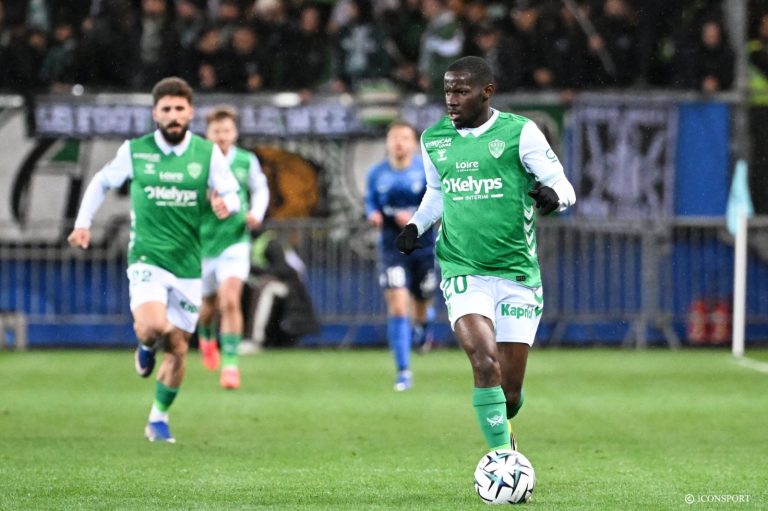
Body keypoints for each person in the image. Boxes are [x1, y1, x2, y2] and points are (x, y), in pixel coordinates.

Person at [395, 56, 576, 451]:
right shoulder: (434, 139)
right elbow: (437, 193)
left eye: (461, 91)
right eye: (448, 91)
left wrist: (553, 196)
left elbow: (564, 186)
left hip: (516, 272)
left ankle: (503, 423)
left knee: (508, 393)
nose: (452, 99)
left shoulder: (520, 133)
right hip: (462, 268)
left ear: (487, 92)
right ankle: (502, 457)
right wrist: (416, 226)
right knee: (483, 361)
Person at [67, 77, 241, 443]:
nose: (173, 115)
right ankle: (145, 346)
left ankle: (158, 418)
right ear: (155, 114)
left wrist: (227, 203)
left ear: (190, 113)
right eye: (166, 109)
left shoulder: (207, 154)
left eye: (180, 109)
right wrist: (82, 223)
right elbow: (101, 182)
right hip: (147, 258)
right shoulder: (136, 151)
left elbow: (232, 193)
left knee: (178, 348)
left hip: (188, 265)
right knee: (152, 326)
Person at [197, 105, 270, 389]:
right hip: (204, 243)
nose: (222, 136)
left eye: (227, 130)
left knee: (229, 300)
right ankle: (206, 335)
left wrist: (256, 213)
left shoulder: (245, 160)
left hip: (235, 240)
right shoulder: (198, 161)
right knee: (207, 307)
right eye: (217, 131)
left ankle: (230, 365)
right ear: (208, 134)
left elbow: (260, 188)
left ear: (235, 133)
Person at [365, 121, 436, 392]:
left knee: (422, 301)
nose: (399, 143)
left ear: (414, 143)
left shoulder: (426, 171)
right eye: (394, 137)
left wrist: (417, 217)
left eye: (405, 138)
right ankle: (404, 371)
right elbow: (370, 202)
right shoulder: (376, 173)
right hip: (392, 248)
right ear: (387, 142)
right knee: (397, 305)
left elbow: (437, 201)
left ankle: (423, 324)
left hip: (423, 247)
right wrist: (373, 214)